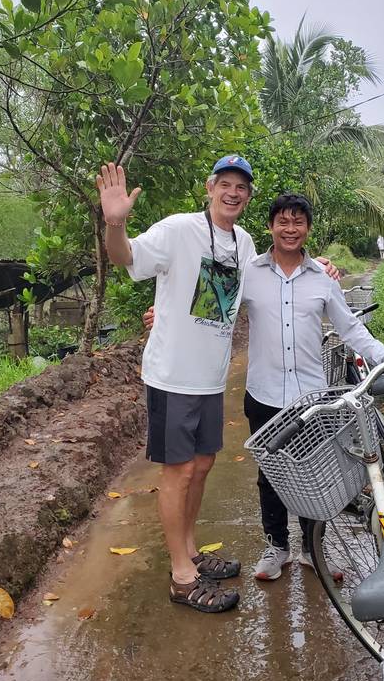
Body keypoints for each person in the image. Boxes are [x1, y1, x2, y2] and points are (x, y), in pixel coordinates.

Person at [96, 158, 338, 613]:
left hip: (210, 378)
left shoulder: (244, 243)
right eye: (224, 183)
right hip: (173, 374)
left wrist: (316, 265)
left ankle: (190, 552)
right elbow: (125, 256)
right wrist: (115, 223)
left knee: (203, 464)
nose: (232, 192)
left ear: (248, 197)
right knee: (179, 471)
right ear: (210, 187)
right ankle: (181, 577)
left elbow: (268, 276)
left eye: (241, 187)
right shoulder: (178, 229)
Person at [243, 195, 384, 580]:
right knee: (270, 476)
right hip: (263, 394)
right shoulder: (249, 272)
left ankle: (312, 549)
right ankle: (277, 548)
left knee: (313, 474)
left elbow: (350, 327)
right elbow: (217, 311)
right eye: (283, 222)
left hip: (311, 399)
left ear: (308, 229)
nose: (290, 229)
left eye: (298, 222)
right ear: (270, 226)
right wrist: (167, 316)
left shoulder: (323, 278)